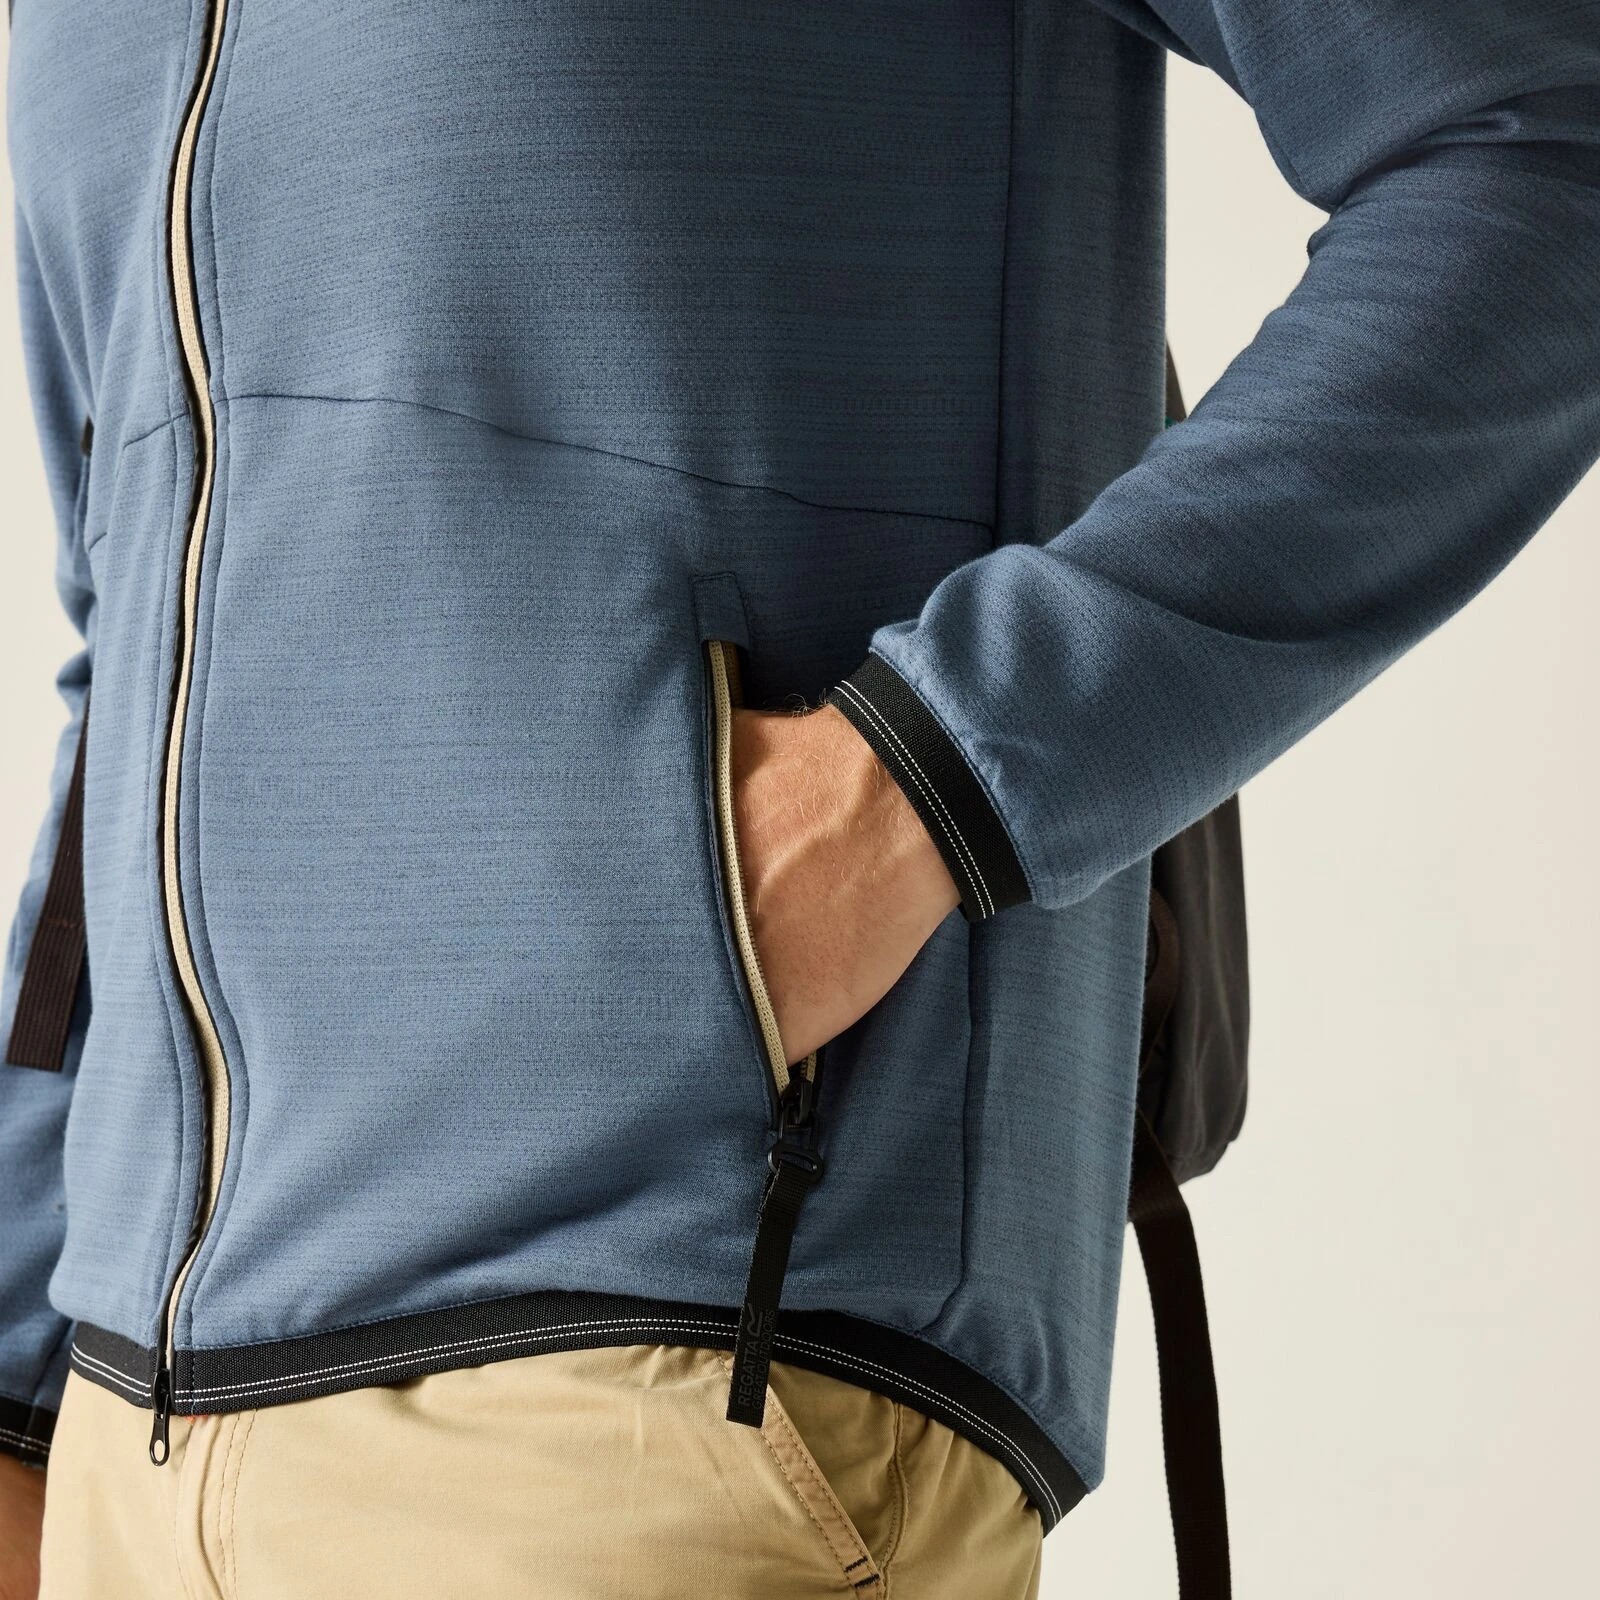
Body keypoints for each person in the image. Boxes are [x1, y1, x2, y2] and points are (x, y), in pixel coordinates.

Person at [2, 2, 1596, 1595]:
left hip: (655, 1365)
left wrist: (929, 775)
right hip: (120, 1443)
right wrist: (15, 1375)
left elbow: (1536, 137)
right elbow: (141, 645)